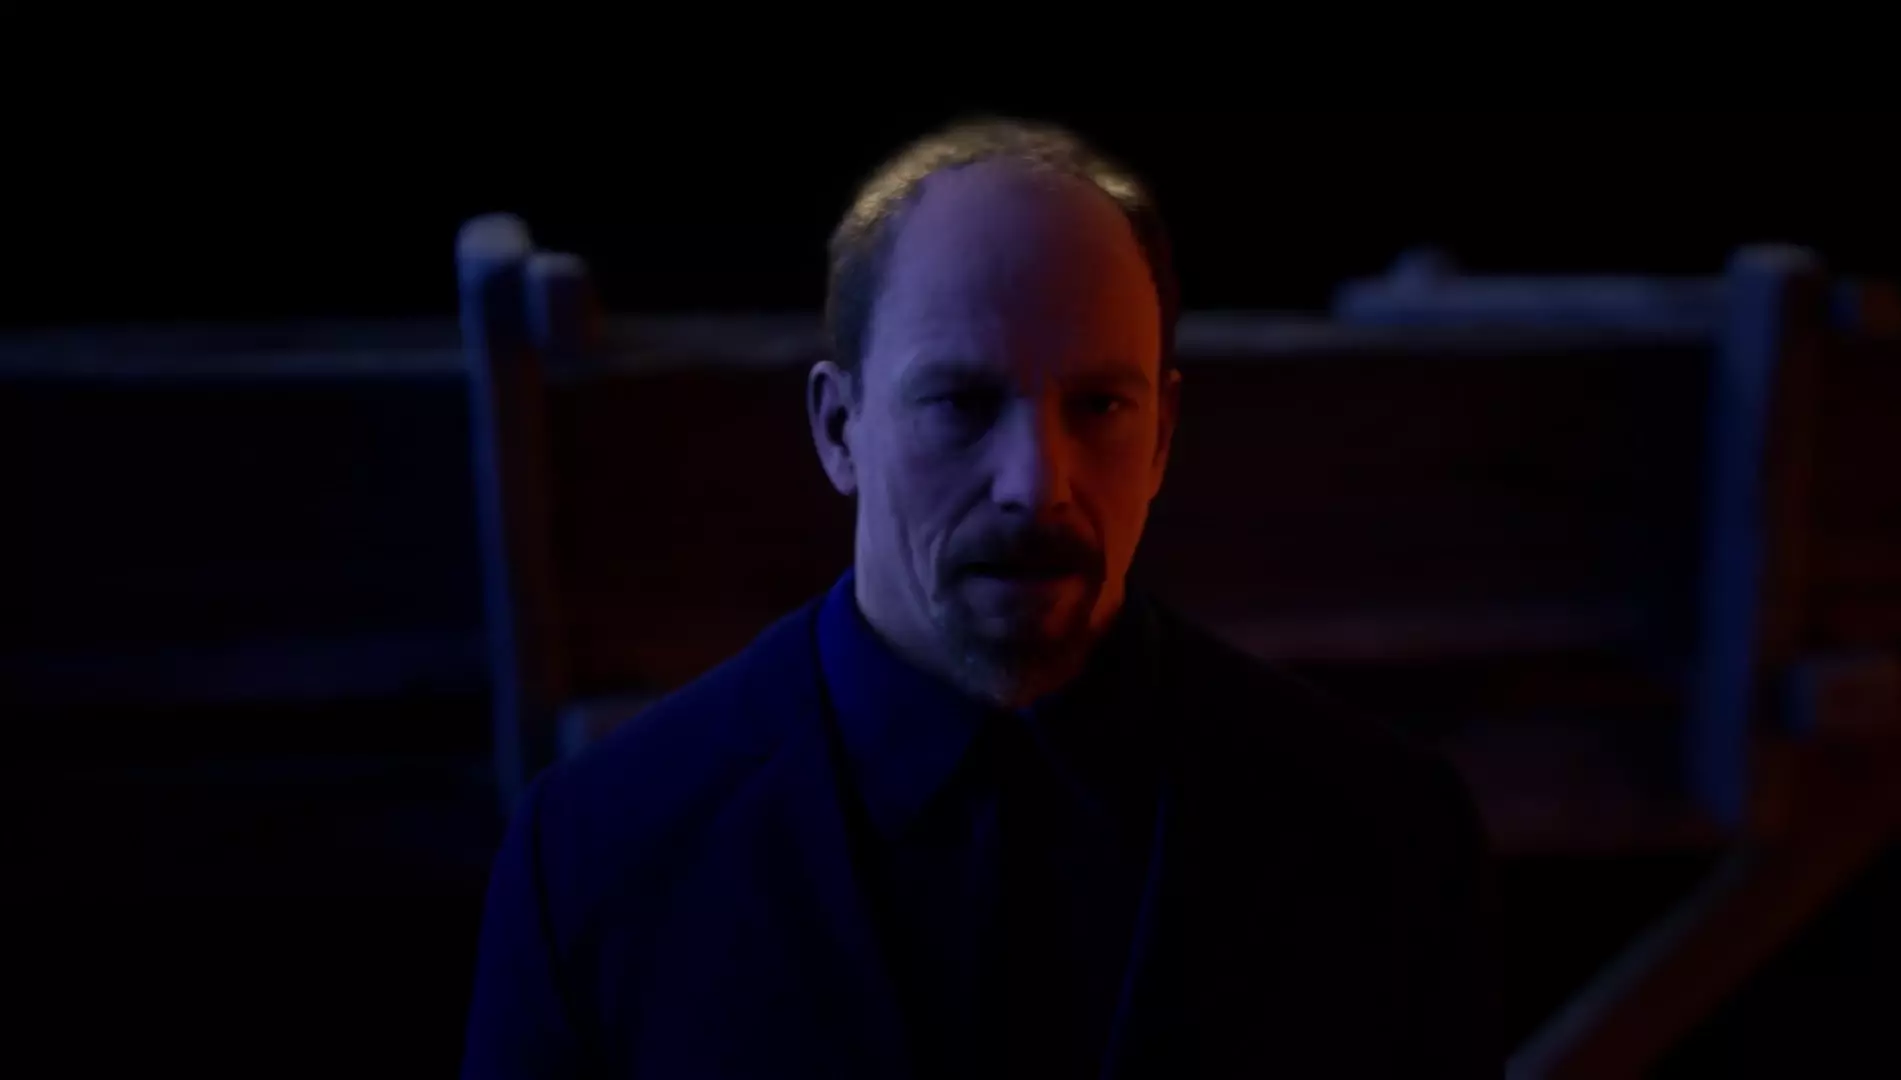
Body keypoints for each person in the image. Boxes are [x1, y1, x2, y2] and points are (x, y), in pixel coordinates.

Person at [461, 117, 1500, 1078]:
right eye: (960, 402)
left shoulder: (1388, 840)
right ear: (838, 430)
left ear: (1163, 438)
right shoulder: (592, 861)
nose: (1036, 484)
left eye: (1100, 405)